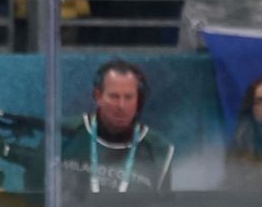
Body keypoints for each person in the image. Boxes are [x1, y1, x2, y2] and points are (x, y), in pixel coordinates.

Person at [60, 59, 177, 196]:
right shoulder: (62, 133)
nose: (121, 106)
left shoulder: (159, 149)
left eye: (128, 97)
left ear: (138, 100)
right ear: (98, 96)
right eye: (114, 96)